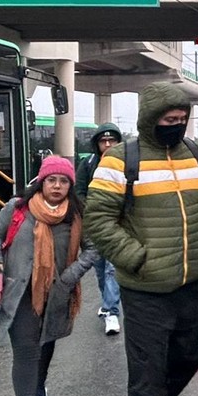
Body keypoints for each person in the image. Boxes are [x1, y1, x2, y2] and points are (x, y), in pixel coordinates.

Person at [83, 82, 198, 396]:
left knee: (197, 348)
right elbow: (98, 219)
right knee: (145, 374)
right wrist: (135, 257)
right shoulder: (119, 160)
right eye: (169, 121)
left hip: (192, 282)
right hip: (143, 289)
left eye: (182, 121)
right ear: (150, 120)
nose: (176, 127)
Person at [0, 156, 98, 396]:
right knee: (26, 350)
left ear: (70, 185)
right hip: (19, 293)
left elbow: (93, 249)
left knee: (46, 343)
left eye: (63, 181)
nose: (57, 186)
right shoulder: (17, 208)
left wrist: (70, 276)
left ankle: (38, 386)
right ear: (41, 182)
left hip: (57, 293)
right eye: (51, 180)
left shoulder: (77, 215)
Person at [76, 122, 124, 335]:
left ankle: (111, 311)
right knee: (100, 268)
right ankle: (107, 302)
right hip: (94, 226)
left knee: (112, 268)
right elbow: (79, 192)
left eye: (112, 140)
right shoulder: (87, 164)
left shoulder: (127, 164)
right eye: (103, 141)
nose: (107, 144)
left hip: (117, 225)